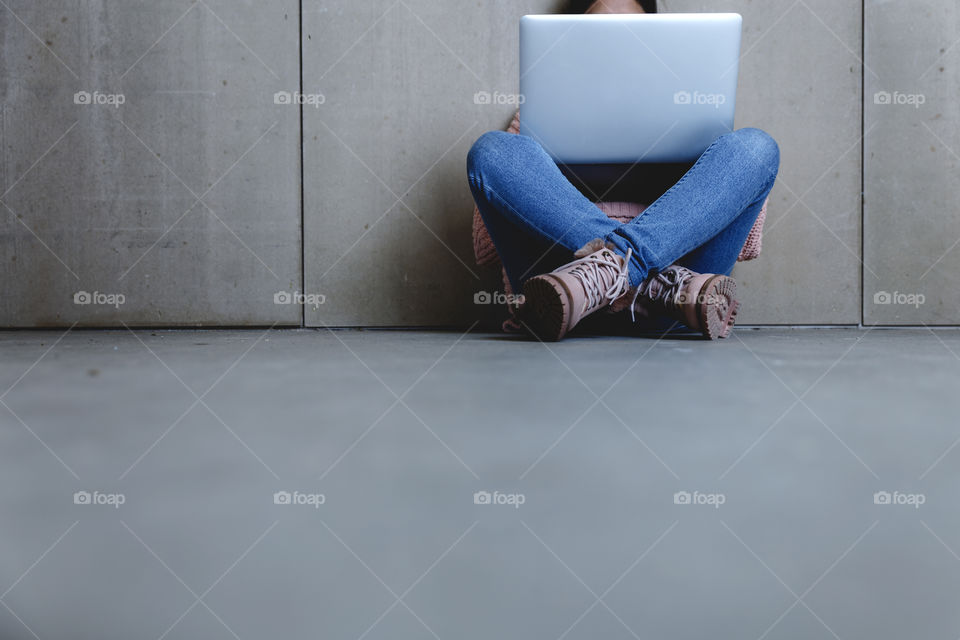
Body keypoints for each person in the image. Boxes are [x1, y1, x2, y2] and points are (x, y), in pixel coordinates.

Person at [467, 0, 780, 341]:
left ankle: (614, 274)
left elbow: (747, 244)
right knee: (491, 150)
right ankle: (651, 282)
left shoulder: (693, 111)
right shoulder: (539, 113)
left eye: (631, 36)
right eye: (600, 36)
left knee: (756, 148)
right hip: (562, 296)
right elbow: (486, 247)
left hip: (674, 306)